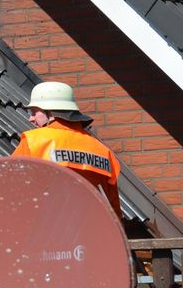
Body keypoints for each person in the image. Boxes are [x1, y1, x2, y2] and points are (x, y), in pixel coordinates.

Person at [12, 80, 122, 217]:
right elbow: (115, 212)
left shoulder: (33, 142)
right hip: (90, 232)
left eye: (35, 112)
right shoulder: (104, 152)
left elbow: (10, 190)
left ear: (50, 113)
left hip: (47, 230)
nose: (31, 118)